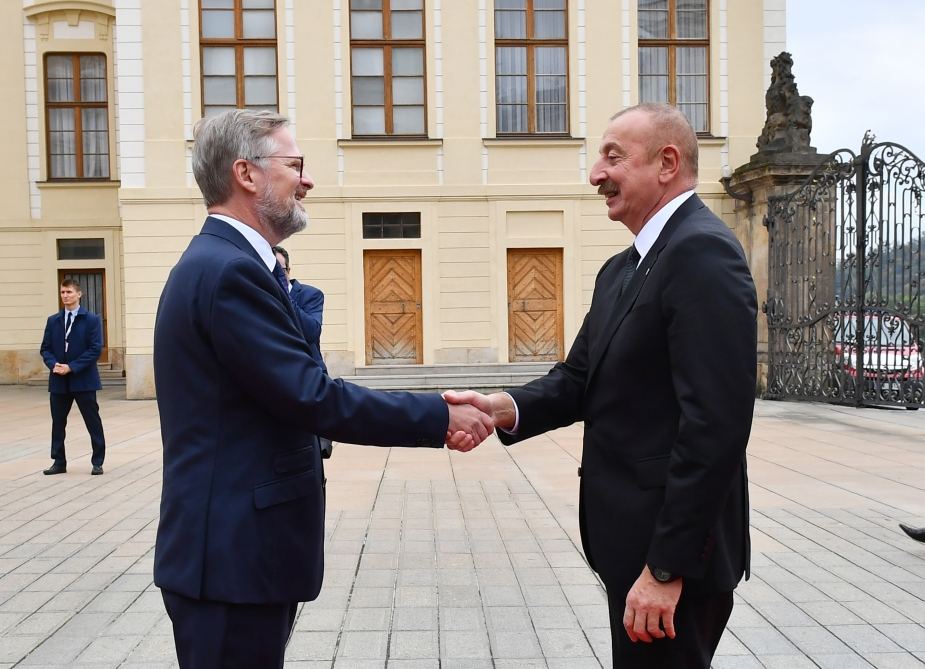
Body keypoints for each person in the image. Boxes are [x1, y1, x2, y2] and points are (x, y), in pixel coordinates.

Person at [152, 109, 492, 669]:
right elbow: (312, 396)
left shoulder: (229, 264)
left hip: (236, 557)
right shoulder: (228, 271)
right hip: (230, 562)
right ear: (247, 174)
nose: (306, 181)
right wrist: (440, 416)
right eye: (295, 165)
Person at [446, 103, 758, 668]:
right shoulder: (622, 268)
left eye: (613, 156)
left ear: (667, 163)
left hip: (670, 560)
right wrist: (502, 408)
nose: (595, 174)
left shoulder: (701, 253)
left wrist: (667, 569)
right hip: (631, 547)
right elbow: (578, 379)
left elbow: (716, 427)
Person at [39, 278, 106, 476]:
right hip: (59, 380)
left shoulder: (91, 319)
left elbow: (95, 349)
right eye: (62, 292)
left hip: (83, 380)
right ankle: (59, 462)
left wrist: (72, 367)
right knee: (58, 423)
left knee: (92, 421)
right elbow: (45, 348)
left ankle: (98, 461)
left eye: (69, 292)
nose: (65, 296)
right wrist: (54, 365)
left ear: (79, 294)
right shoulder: (53, 321)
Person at [272, 245, 333, 458]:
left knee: (311, 456)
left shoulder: (310, 295)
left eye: (279, 270)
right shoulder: (258, 297)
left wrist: (281, 294)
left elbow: (311, 332)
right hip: (274, 384)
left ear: (288, 271)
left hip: (308, 382)